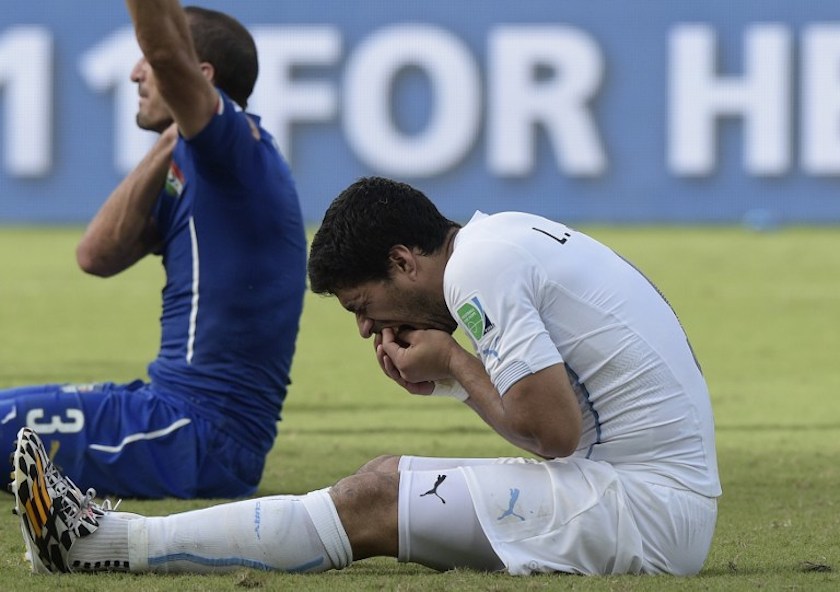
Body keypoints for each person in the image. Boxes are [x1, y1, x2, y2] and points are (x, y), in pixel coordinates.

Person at [11, 176, 720, 576]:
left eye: (362, 305)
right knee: (385, 478)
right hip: (645, 491)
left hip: (649, 512)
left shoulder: (481, 268)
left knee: (377, 496)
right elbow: (559, 412)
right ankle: (104, 538)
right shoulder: (495, 239)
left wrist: (450, 362)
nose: (364, 327)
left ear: (405, 262)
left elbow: (552, 433)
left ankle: (102, 545)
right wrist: (450, 374)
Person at [0, 1, 307, 498]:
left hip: (196, 434)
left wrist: (178, 93)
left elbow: (166, 53)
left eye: (145, 60)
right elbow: (96, 256)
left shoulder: (236, 150)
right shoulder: (200, 160)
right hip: (175, 417)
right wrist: (172, 137)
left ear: (199, 75)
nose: (134, 73)